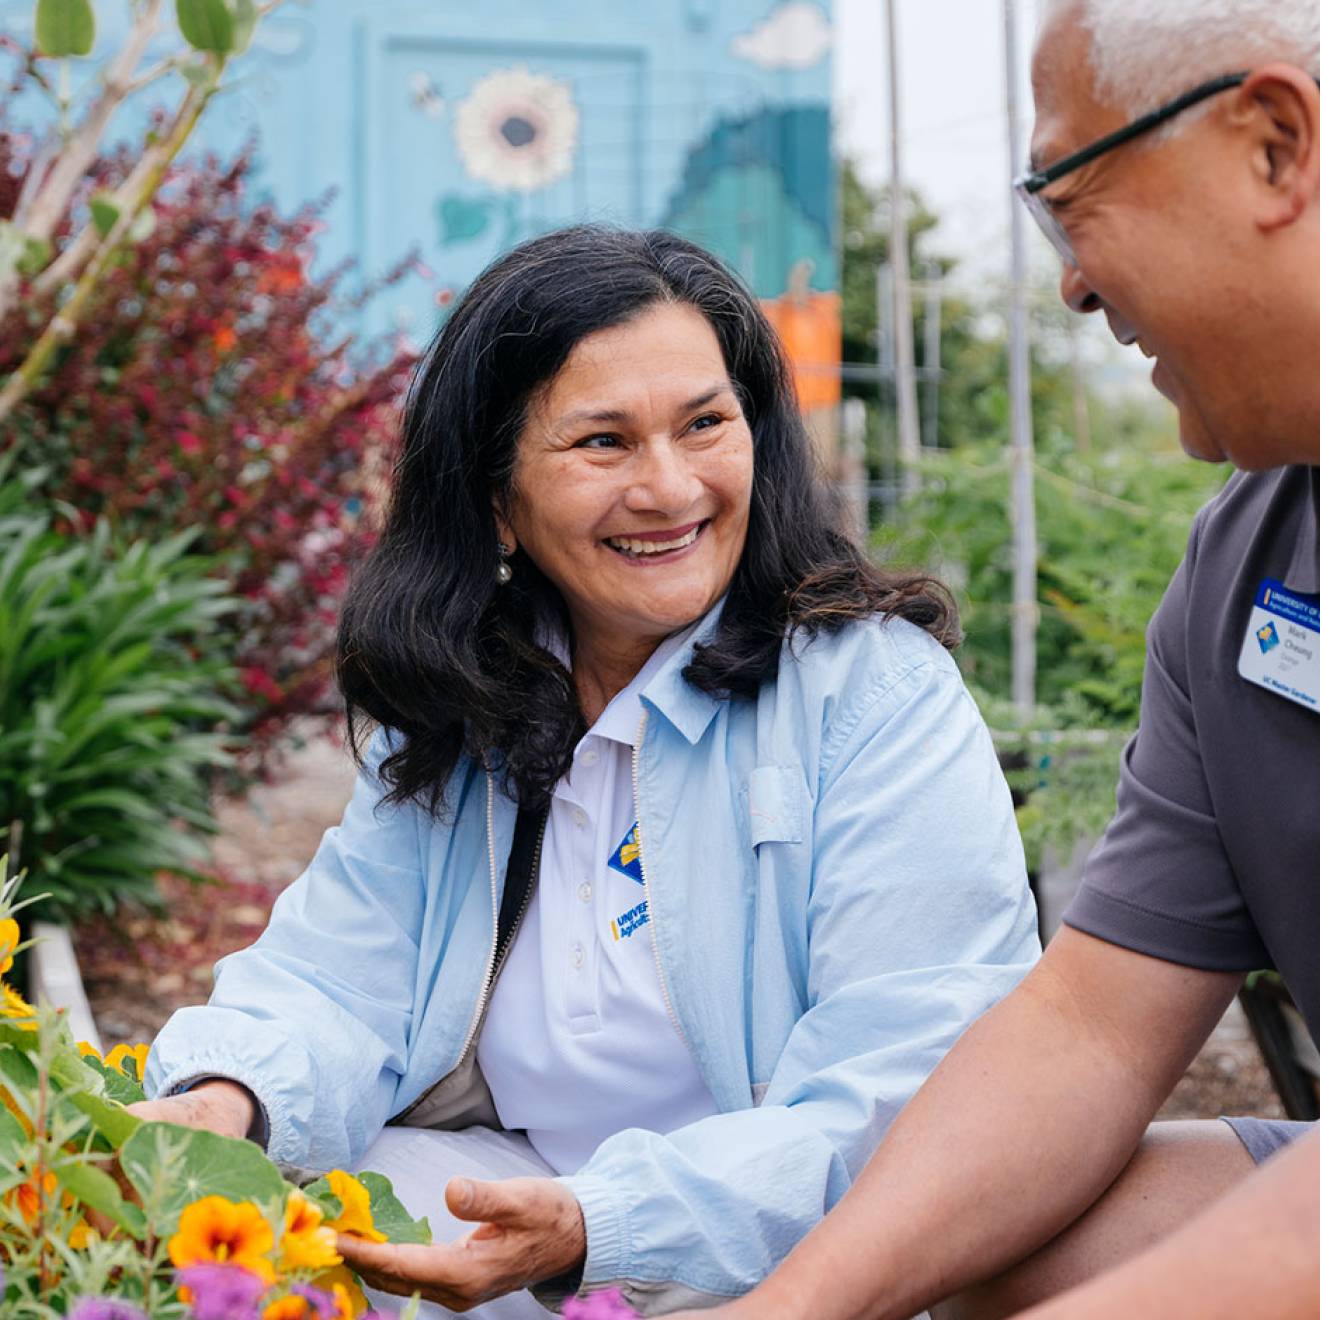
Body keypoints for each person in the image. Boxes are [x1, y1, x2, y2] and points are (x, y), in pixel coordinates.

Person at [132, 225, 1038, 1316]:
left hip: (791, 1258)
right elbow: (338, 975)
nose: (670, 487)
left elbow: (910, 1091)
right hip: (513, 1195)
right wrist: (226, 1093)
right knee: (194, 1272)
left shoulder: (872, 698)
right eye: (603, 443)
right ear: (497, 498)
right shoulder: (474, 695)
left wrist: (601, 1226)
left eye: (706, 424)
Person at [672, 3, 1320, 1318]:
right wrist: (790, 1308)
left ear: (1275, 146)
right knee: (987, 1246)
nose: (1070, 284)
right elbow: (1090, 1023)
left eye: (1072, 201)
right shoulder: (1245, 565)